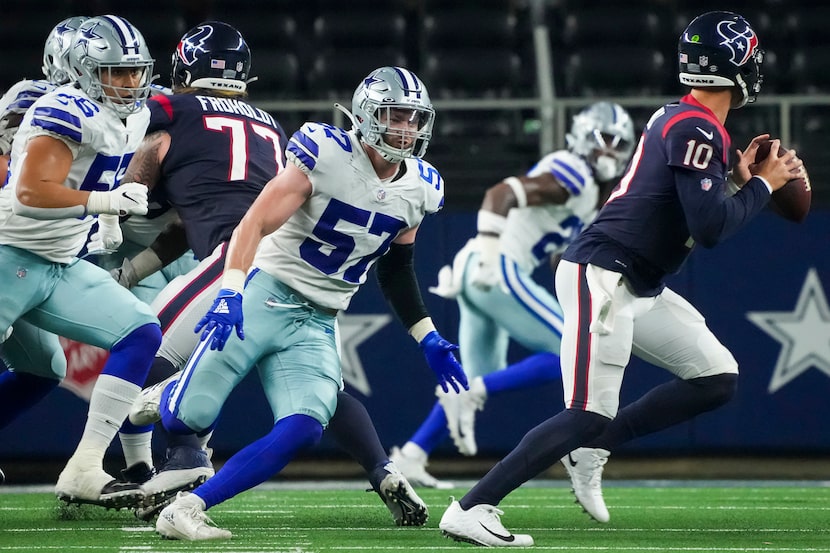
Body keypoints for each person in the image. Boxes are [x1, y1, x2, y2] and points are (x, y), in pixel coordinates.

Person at [438, 11, 805, 547]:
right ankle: (472, 507)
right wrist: (763, 188)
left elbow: (688, 205)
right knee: (585, 411)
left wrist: (737, 178)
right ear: (734, 67)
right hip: (603, 275)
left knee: (716, 378)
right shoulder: (696, 127)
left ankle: (594, 445)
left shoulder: (691, 123)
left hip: (639, 282)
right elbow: (709, 228)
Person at [106, 25, 437, 528]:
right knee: (189, 414)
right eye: (394, 117)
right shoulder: (324, 150)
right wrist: (232, 291)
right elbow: (254, 222)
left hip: (318, 318)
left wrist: (428, 336)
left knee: (305, 427)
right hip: (266, 291)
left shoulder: (422, 186)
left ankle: (189, 507)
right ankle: (161, 405)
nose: (405, 130)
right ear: (367, 115)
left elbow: (397, 266)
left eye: (413, 119)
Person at [391, 101, 635, 489]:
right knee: (571, 350)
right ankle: (475, 394)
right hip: (495, 267)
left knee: (472, 376)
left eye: (616, 144)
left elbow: (561, 257)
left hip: (482, 268)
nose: (608, 151)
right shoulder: (574, 172)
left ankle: (411, 455)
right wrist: (490, 256)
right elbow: (499, 194)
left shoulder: (589, 194)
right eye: (603, 140)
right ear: (583, 137)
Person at [0, 15, 161, 508]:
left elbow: (99, 175)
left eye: (136, 71)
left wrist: (105, 220)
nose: (130, 83)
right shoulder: (61, 107)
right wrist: (104, 203)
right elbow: (29, 193)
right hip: (11, 252)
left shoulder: (135, 115)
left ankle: (86, 468)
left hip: (58, 261)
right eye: (116, 72)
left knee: (137, 333)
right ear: (81, 69)